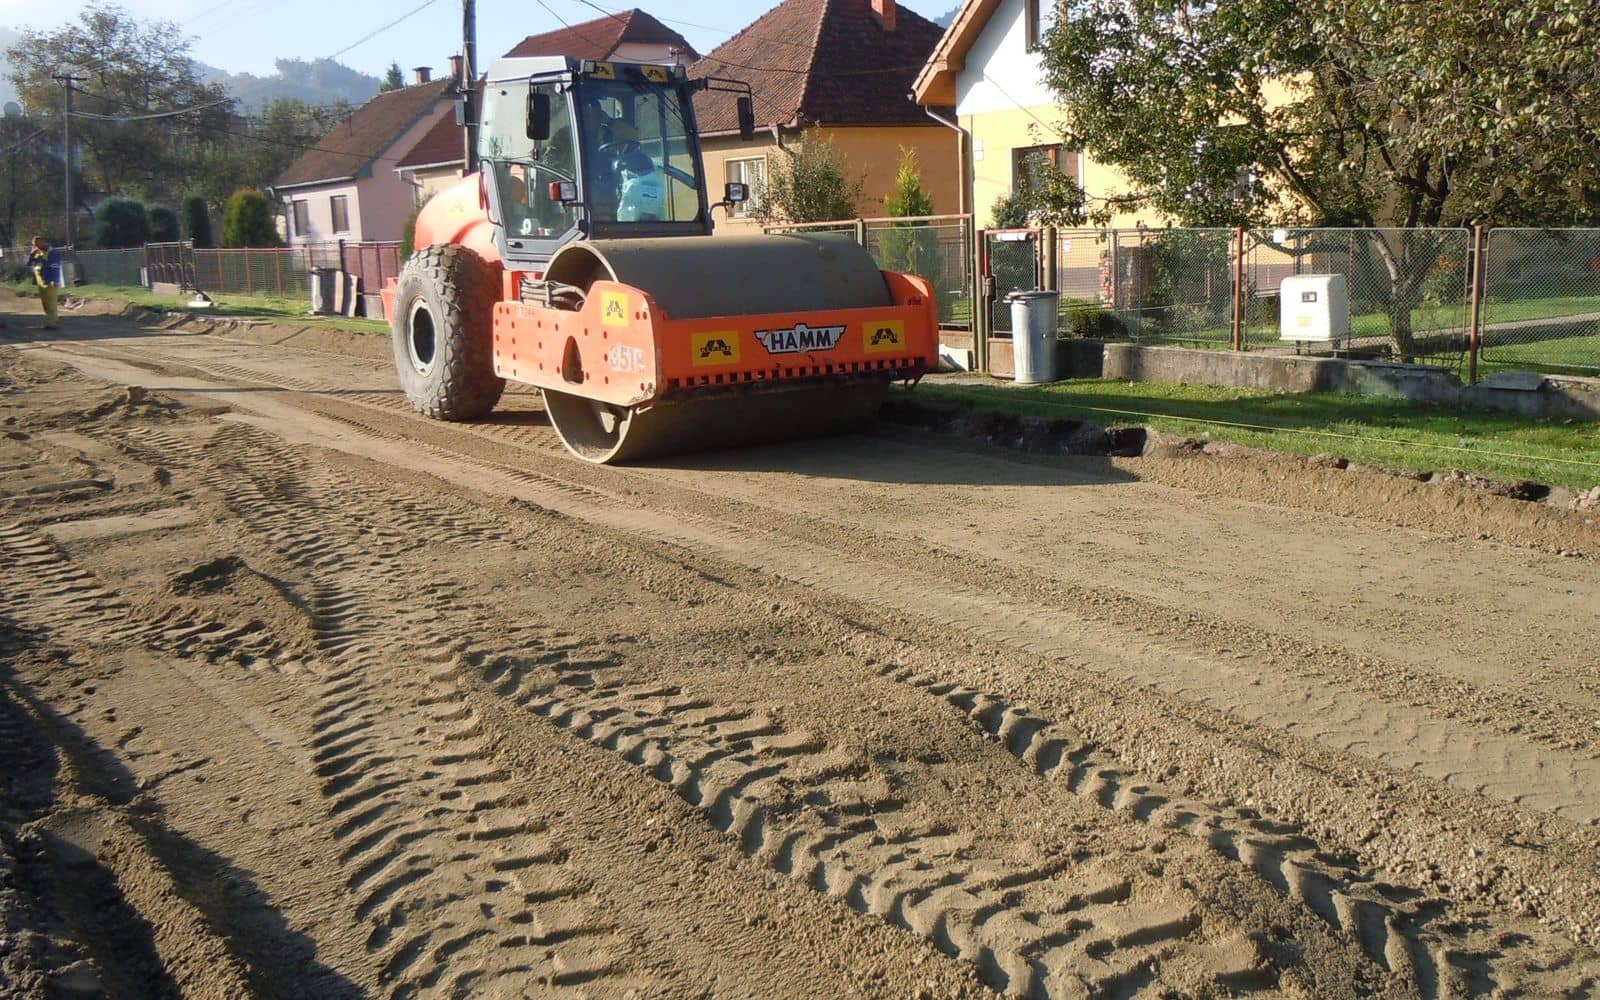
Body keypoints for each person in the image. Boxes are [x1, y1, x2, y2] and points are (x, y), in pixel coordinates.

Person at [28, 236, 62, 330]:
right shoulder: (37, 252)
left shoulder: (52, 252)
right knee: (45, 304)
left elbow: (55, 266)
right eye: (35, 245)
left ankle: (52, 323)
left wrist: (55, 280)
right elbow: (29, 264)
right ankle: (52, 320)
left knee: (51, 304)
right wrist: (31, 254)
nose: (37, 246)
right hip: (40, 281)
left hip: (49, 281)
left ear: (43, 242)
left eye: (38, 244)